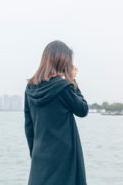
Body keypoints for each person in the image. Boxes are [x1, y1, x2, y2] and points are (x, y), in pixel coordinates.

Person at [24, 40, 89, 185]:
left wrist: (35, 155)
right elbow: (83, 109)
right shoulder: (64, 87)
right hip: (64, 158)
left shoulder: (30, 88)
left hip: (40, 156)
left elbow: (29, 127)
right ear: (63, 61)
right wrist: (73, 80)